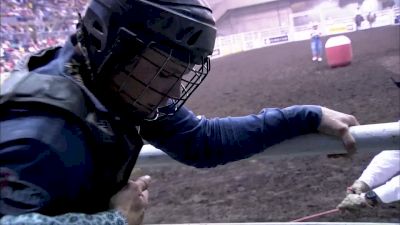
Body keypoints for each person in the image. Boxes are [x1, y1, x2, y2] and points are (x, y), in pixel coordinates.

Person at [0, 0, 359, 223]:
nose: (172, 90)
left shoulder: (111, 84)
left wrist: (305, 116)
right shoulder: (37, 138)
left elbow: (202, 142)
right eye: (164, 73)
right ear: (114, 46)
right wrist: (111, 221)